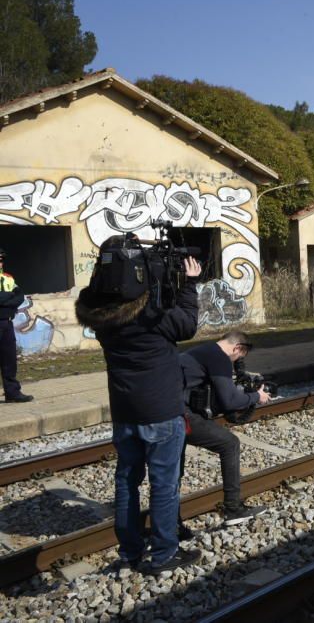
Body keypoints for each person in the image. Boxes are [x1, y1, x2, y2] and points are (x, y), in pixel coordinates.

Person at [74, 235, 202, 575]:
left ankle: (131, 551)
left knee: (126, 480)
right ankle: (163, 555)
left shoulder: (100, 316)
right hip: (160, 411)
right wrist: (188, 286)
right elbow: (187, 324)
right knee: (163, 484)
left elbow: (104, 294)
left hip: (124, 412)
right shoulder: (153, 316)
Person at [179, 331, 273, 527]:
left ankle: (170, 525)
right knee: (230, 444)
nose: (236, 361)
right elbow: (230, 401)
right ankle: (233, 509)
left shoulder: (203, 350)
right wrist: (257, 397)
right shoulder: (220, 358)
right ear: (238, 348)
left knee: (172, 472)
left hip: (167, 410)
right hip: (180, 415)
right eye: (239, 357)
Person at [0, 248, 32, 402]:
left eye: (1, 260)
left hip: (6, 323)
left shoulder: (7, 278)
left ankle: (12, 393)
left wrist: (5, 300)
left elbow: (19, 297)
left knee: (9, 360)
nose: (0, 263)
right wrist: (7, 298)